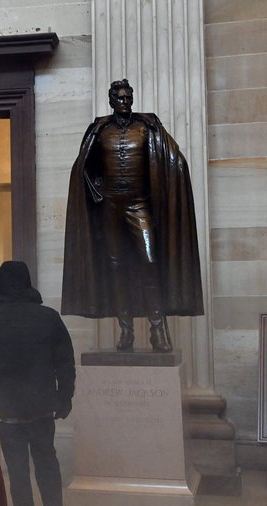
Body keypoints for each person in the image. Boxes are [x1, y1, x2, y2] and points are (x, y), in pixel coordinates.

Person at [61, 79, 203, 352]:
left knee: (149, 262)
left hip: (139, 204)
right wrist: (95, 188)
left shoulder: (147, 128)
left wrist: (175, 169)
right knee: (116, 267)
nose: (125, 103)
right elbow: (82, 167)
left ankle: (157, 328)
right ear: (112, 101)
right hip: (109, 207)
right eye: (121, 99)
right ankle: (125, 331)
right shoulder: (99, 131)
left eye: (129, 98)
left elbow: (173, 159)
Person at [0, 261, 75, 506]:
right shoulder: (48, 317)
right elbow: (65, 362)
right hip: (42, 404)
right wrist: (64, 397)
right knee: (47, 464)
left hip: (8, 408)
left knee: (17, 471)